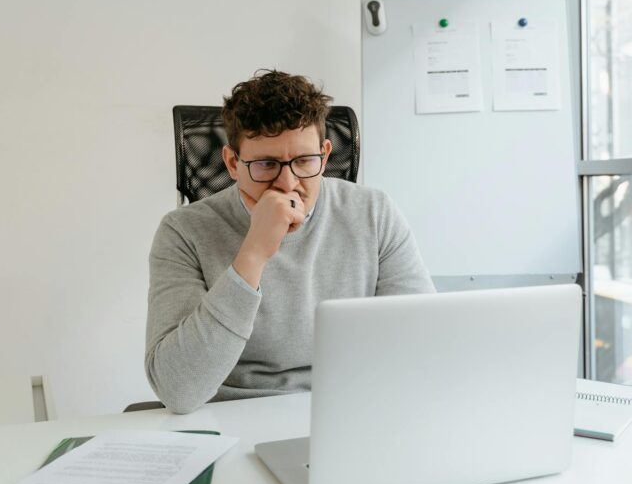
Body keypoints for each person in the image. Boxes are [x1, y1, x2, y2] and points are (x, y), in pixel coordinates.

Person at [145, 70, 434, 413]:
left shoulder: (374, 213)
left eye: (303, 161)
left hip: (347, 410)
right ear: (233, 163)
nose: (287, 183)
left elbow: (424, 345)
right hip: (232, 416)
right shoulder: (183, 231)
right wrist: (253, 253)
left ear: (325, 156)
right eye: (266, 164)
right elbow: (177, 390)